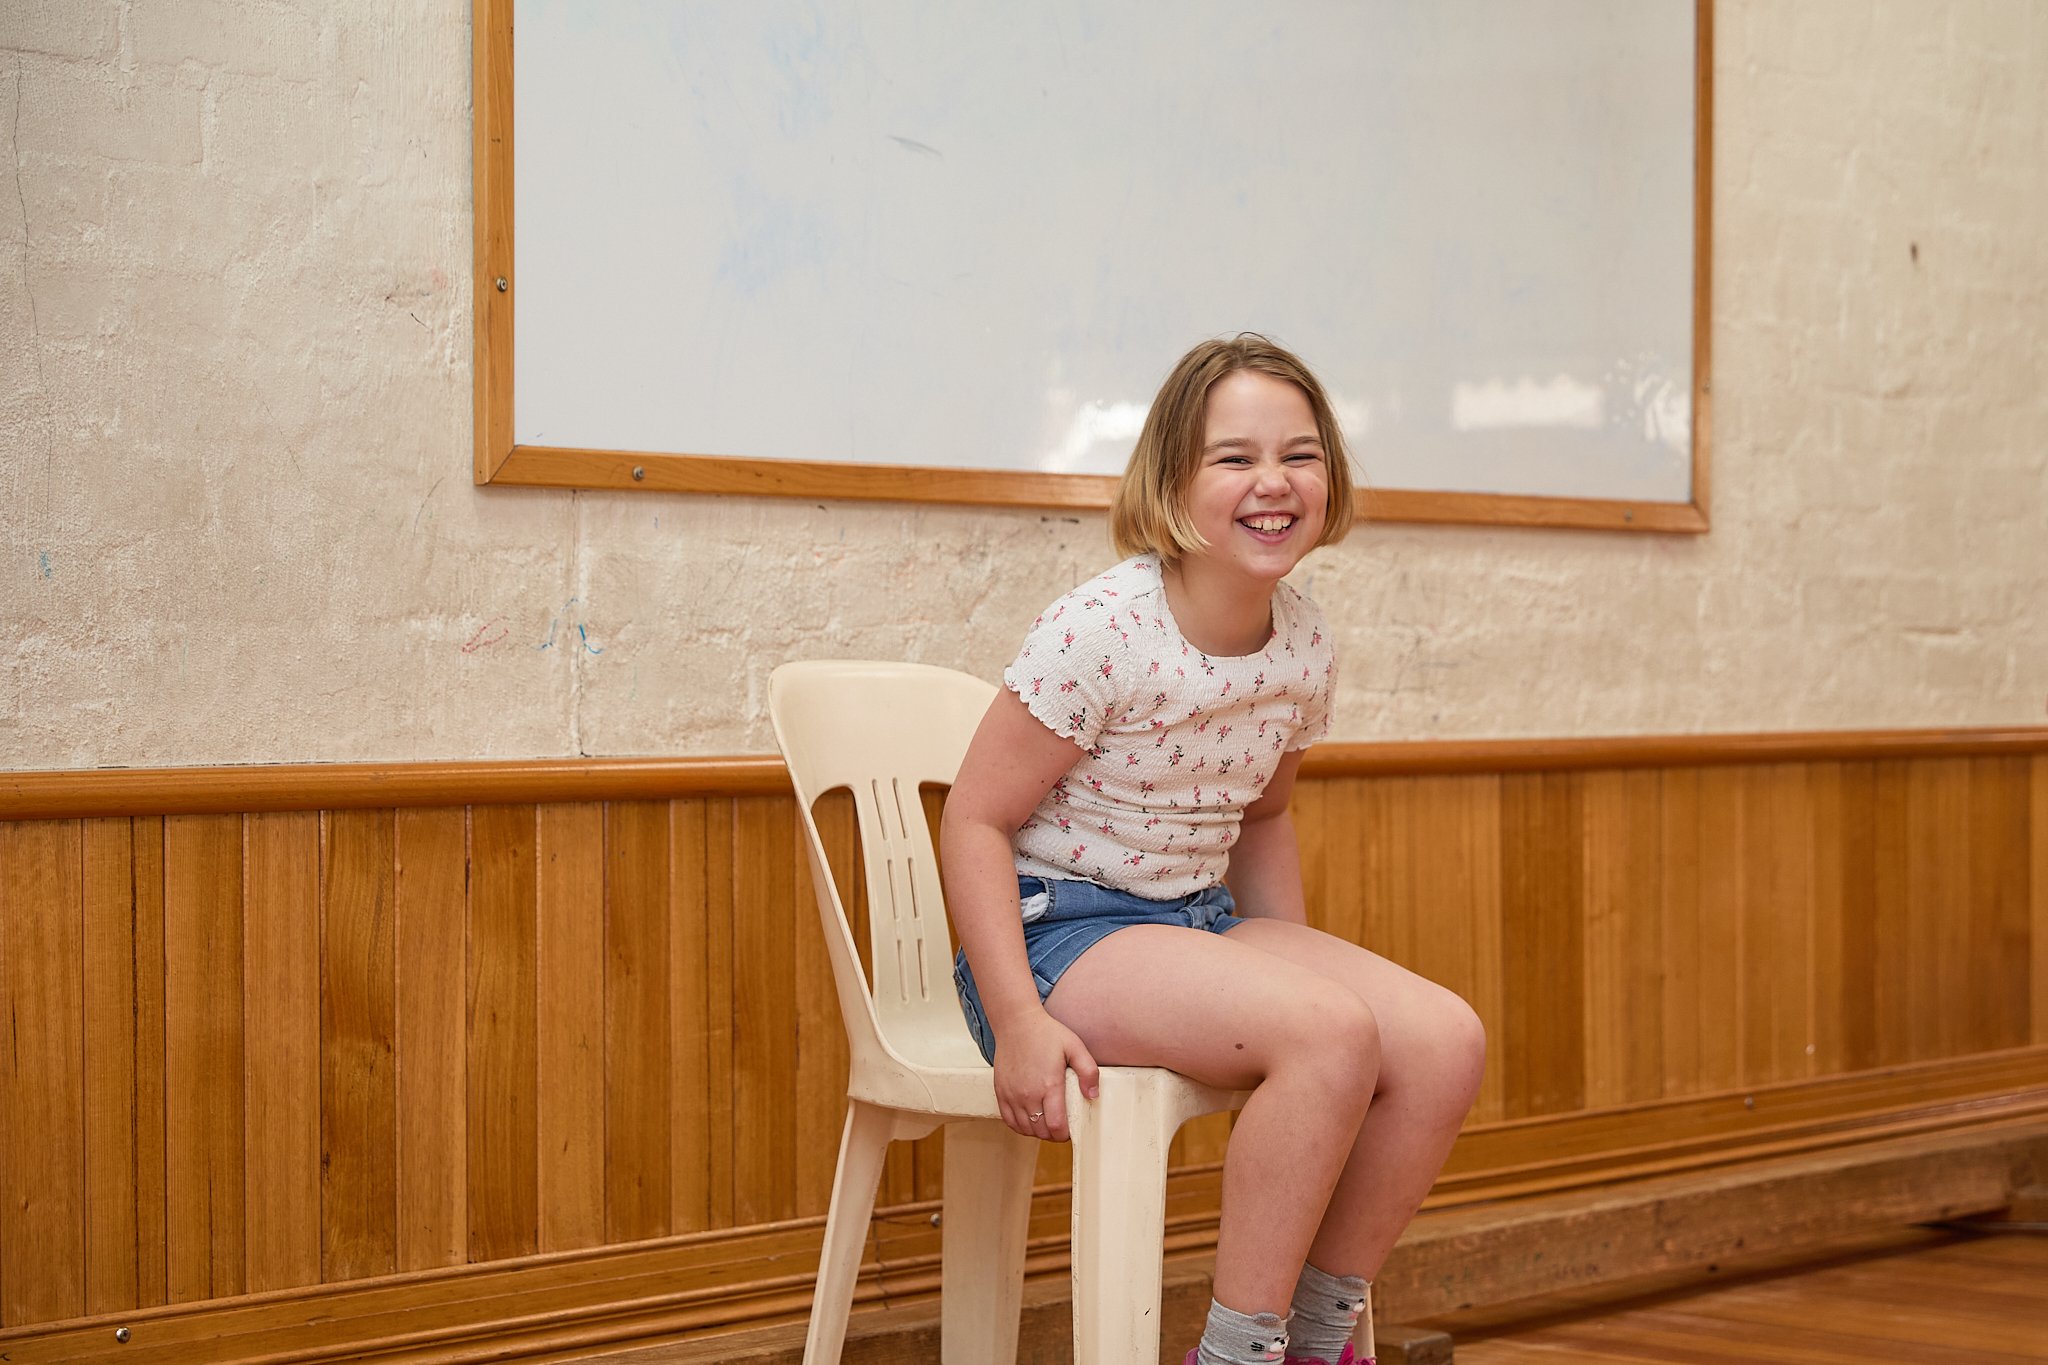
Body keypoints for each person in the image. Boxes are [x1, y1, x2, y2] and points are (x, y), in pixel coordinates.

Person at [940, 335, 1487, 1365]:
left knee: (1443, 1041)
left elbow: (1266, 815)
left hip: (1194, 918)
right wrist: (1015, 1019)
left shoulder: (1302, 640)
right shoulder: (1102, 628)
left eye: (1300, 453)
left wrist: (1279, 961)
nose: (1272, 481)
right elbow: (973, 818)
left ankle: (1320, 1343)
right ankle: (1237, 1355)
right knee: (1327, 1033)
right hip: (1058, 931)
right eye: (1233, 456)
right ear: (1172, 480)